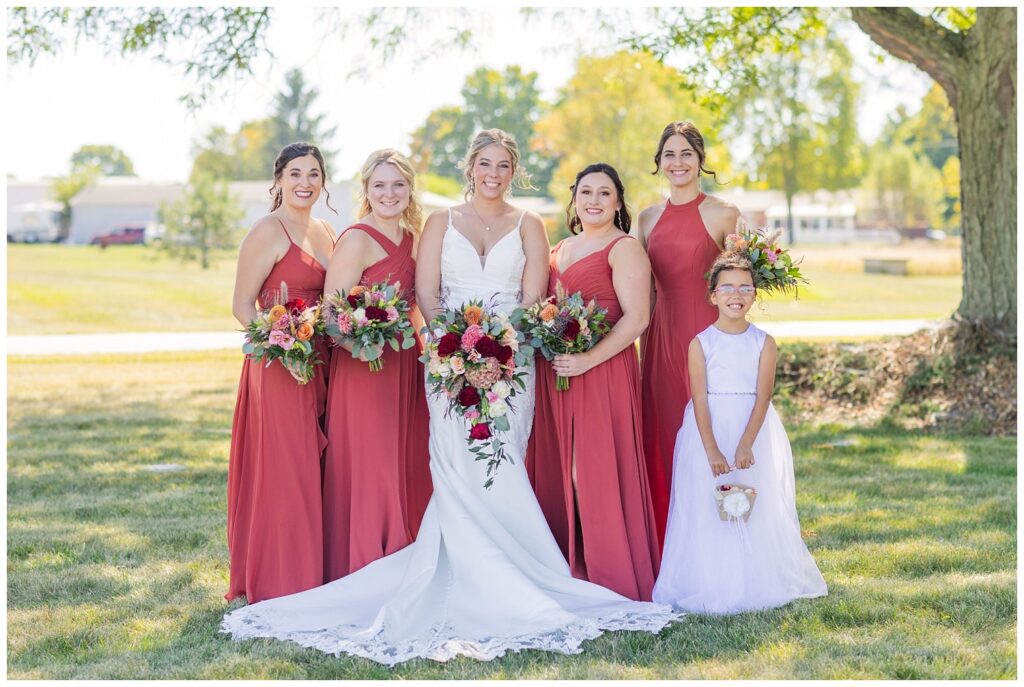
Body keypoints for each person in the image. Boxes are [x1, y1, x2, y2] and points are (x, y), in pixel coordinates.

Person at [221, 129, 677, 665]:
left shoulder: (531, 224)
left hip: (513, 360)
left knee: (504, 463)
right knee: (454, 464)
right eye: (484, 163)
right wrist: (455, 348)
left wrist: (499, 347)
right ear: (470, 167)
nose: (493, 173)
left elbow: (533, 295)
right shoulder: (436, 223)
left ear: (514, 170)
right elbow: (428, 295)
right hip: (446, 360)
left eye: (503, 165)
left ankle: (521, 567)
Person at [652, 252, 827, 613]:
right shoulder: (701, 343)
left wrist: (747, 442)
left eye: (745, 287)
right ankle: (711, 580)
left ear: (754, 295)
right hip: (710, 430)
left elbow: (763, 396)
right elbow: (699, 399)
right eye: (727, 287)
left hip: (753, 428)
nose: (736, 294)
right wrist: (713, 450)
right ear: (713, 295)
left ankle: (754, 579)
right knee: (708, 503)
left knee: (753, 502)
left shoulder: (764, 343)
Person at [526, 162, 661, 602]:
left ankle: (609, 575)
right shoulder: (559, 249)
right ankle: (567, 568)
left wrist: (588, 360)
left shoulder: (624, 248)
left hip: (602, 372)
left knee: (593, 471)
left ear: (618, 203)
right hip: (558, 375)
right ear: (574, 199)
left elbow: (638, 318)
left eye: (605, 193)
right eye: (586, 191)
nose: (595, 201)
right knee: (561, 468)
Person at [226, 142, 337, 603]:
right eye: (295, 174)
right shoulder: (266, 232)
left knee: (318, 466)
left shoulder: (328, 232)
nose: (305, 183)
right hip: (279, 366)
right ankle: (280, 576)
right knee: (286, 469)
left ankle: (313, 568)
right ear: (278, 180)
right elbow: (240, 306)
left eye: (313, 174)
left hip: (324, 361)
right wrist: (283, 342)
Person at [321, 149, 431, 583]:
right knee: (373, 464)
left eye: (398, 185)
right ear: (366, 190)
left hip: (407, 362)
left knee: (407, 459)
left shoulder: (414, 235)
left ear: (409, 190)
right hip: (363, 369)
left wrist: (433, 348)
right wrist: (364, 346)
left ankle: (407, 556)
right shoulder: (356, 238)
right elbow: (331, 316)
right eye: (380, 185)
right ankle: (365, 562)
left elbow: (416, 304)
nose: (390, 193)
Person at [637, 121, 741, 549]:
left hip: (709, 339)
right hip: (660, 341)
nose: (677, 162)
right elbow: (637, 286)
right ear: (659, 162)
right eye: (669, 155)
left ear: (700, 160)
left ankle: (723, 538)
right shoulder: (646, 218)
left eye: (686, 154)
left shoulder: (723, 213)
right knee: (664, 436)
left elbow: (741, 284)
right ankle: (669, 543)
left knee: (713, 433)